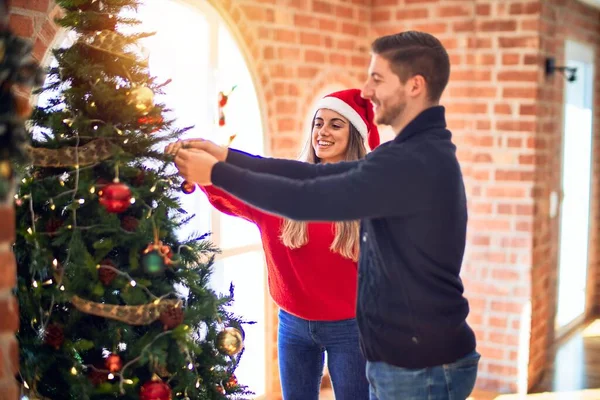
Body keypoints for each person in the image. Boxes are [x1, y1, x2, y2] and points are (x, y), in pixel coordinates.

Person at [169, 31, 479, 400]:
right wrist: (224, 157)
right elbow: (311, 175)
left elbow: (307, 197)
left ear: (414, 86)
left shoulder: (409, 162)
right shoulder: (407, 152)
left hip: (419, 363)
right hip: (406, 357)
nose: (366, 89)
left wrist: (217, 172)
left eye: (377, 78)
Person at [171, 89, 379, 400]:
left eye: (336, 125)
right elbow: (237, 192)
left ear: (355, 137)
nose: (322, 132)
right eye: (318, 123)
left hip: (351, 328)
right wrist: (198, 169)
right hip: (293, 324)